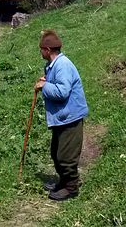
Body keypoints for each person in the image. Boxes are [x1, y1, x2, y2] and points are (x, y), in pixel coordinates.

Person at [34, 29, 88, 201]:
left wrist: (44, 86)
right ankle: (63, 182)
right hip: (62, 117)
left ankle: (71, 188)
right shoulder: (54, 65)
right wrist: (47, 81)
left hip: (70, 118)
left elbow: (63, 92)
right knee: (56, 153)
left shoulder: (62, 65)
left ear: (48, 50)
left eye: (41, 49)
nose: (40, 52)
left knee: (66, 157)